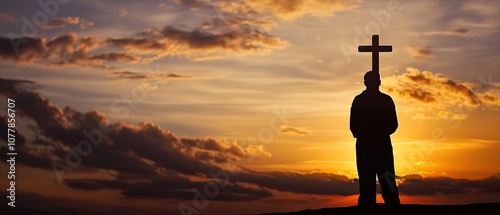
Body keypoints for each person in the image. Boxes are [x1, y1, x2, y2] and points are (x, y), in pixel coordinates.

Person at [350, 71, 401, 208]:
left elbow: (393, 124)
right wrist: (369, 134)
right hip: (366, 146)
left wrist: (378, 133)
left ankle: (393, 206)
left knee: (388, 179)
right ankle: (368, 207)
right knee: (367, 181)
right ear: (365, 82)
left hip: (381, 145)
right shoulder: (359, 100)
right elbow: (353, 125)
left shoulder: (385, 100)